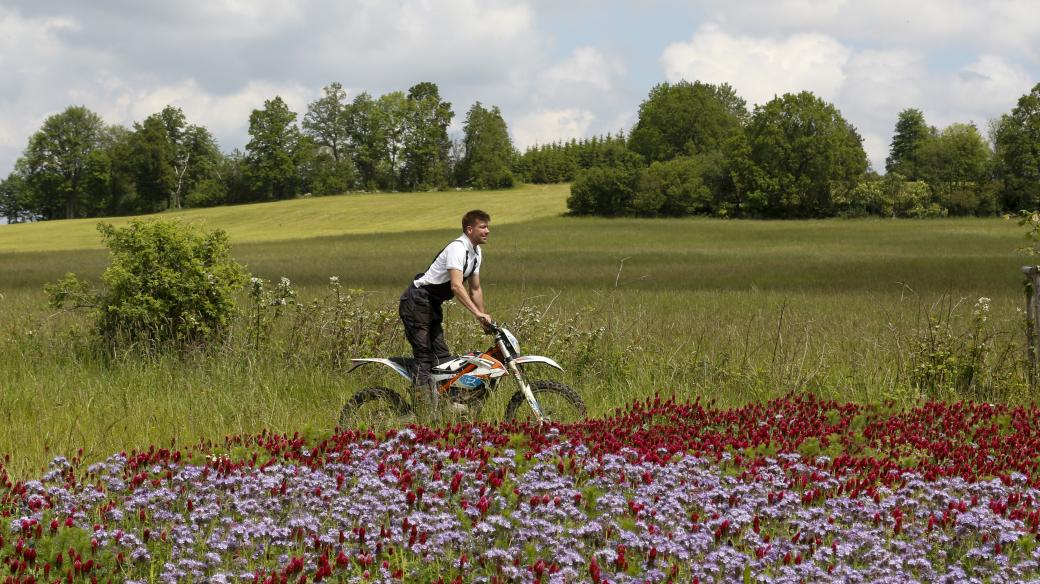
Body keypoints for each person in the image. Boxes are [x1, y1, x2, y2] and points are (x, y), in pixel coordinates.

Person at [399, 209, 493, 409]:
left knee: (442, 358)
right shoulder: (457, 248)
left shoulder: (476, 252)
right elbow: (456, 286)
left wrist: (483, 318)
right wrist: (477, 314)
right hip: (416, 301)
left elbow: (475, 288)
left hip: (431, 305)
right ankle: (423, 409)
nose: (487, 231)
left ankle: (443, 404)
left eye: (487, 226)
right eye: (482, 227)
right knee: (424, 356)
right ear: (469, 229)